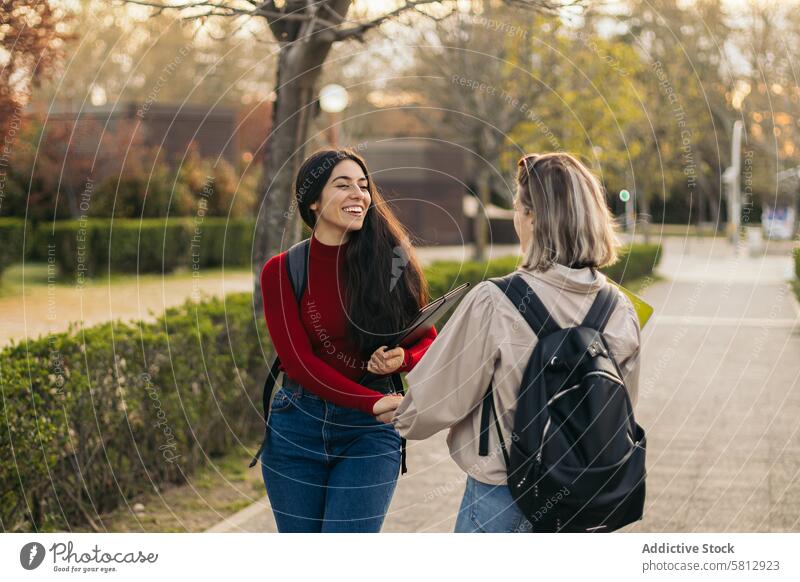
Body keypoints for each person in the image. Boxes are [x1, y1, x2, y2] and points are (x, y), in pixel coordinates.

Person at [389, 152, 642, 533]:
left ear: (533, 218)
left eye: (517, 210)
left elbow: (437, 399)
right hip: (585, 500)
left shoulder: (498, 300)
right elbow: (621, 405)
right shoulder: (620, 307)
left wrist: (401, 412)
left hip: (503, 494)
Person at [259, 148, 435, 532]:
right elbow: (298, 362)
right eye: (343, 185)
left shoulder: (390, 260)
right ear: (313, 200)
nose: (359, 194)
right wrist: (373, 402)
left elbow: (428, 340)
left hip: (369, 438)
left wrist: (402, 357)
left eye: (363, 185)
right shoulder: (282, 270)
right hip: (296, 431)